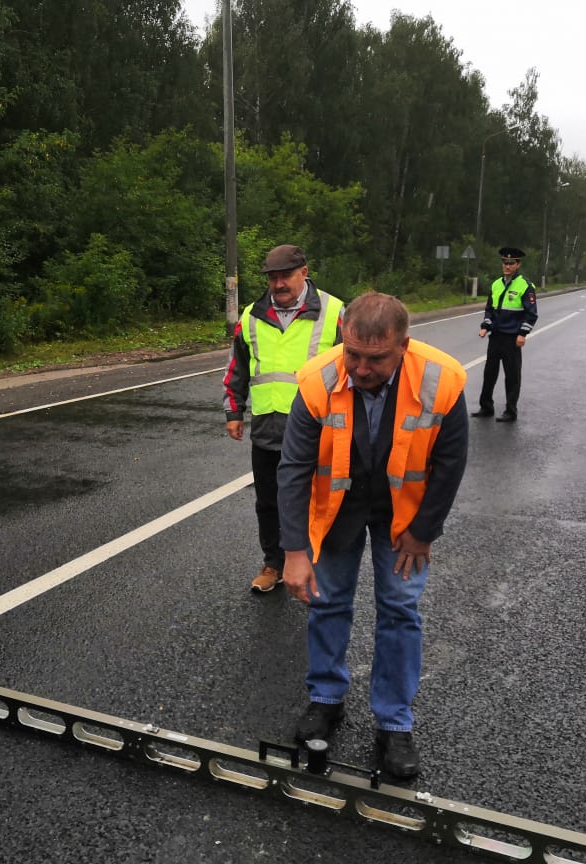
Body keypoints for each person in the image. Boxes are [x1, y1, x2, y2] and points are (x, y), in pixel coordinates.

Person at [277, 292, 468, 779]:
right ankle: (325, 697)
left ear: (404, 345)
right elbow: (294, 467)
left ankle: (394, 722)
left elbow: (450, 464)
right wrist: (294, 551)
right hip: (339, 509)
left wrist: (424, 531)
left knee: (400, 608)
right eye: (353, 355)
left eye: (375, 359)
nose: (360, 369)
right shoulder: (318, 380)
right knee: (328, 601)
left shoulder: (441, 379)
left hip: (402, 516)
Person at [223, 245, 344, 593]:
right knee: (268, 501)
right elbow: (238, 367)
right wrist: (234, 410)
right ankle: (273, 564)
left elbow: (354, 368)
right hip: (268, 427)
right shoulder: (251, 316)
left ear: (304, 272)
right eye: (273, 278)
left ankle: (317, 563)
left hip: (318, 430)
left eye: (285, 276)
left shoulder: (334, 312)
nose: (278, 284)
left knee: (319, 500)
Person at [472, 246, 538, 423]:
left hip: (512, 338)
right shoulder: (496, 284)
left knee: (512, 376)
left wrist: (523, 333)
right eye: (504, 262)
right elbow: (490, 310)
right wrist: (486, 326)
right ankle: (486, 407)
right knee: (489, 373)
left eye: (511, 263)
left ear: (518, 265)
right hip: (496, 337)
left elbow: (531, 313)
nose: (507, 266)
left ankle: (510, 411)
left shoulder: (525, 285)